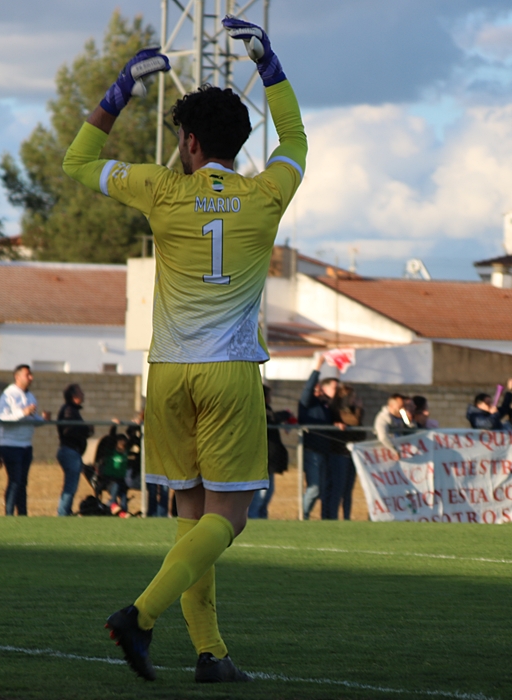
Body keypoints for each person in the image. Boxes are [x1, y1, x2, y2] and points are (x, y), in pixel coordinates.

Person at [63, 17, 304, 682]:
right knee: (231, 517)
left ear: (190, 142)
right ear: (241, 141)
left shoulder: (162, 189)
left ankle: (211, 653)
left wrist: (120, 91)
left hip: (167, 374)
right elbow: (299, 139)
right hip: (229, 375)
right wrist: (268, 64)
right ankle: (139, 616)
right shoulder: (266, 194)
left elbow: (77, 160)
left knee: (191, 515)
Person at [0, 365, 45, 516]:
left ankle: (22, 514)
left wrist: (42, 420)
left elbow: (31, 419)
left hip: (26, 445)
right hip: (10, 445)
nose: (31, 378)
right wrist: (22, 412)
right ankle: (9, 514)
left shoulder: (30, 396)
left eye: (31, 375)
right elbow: (1, 419)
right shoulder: (8, 395)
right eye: (27, 375)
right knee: (15, 481)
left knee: (22, 483)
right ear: (17, 377)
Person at [298, 355, 340, 520]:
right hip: (312, 451)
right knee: (314, 488)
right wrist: (318, 367)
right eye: (318, 389)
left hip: (323, 450)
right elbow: (308, 388)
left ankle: (305, 515)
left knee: (320, 488)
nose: (320, 392)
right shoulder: (307, 403)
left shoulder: (324, 406)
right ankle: (303, 515)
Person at [250, 386, 291, 520]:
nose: (271, 398)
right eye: (269, 395)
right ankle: (253, 518)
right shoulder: (257, 408)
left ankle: (262, 518)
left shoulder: (268, 408)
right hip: (260, 458)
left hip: (270, 459)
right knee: (260, 495)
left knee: (268, 493)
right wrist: (286, 413)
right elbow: (271, 417)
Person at [327, 383, 366, 520]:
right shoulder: (338, 410)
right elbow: (354, 421)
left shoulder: (352, 410)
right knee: (338, 488)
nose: (354, 400)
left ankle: (346, 517)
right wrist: (359, 409)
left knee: (348, 490)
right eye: (352, 397)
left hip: (351, 454)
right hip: (339, 453)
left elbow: (360, 431)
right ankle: (333, 518)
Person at [56, 383, 94, 517]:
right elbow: (69, 430)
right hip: (69, 451)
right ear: (74, 396)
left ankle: (65, 511)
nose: (83, 394)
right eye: (80, 392)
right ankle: (63, 513)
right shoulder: (69, 410)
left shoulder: (73, 410)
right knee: (70, 486)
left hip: (73, 452)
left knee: (71, 485)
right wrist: (86, 429)